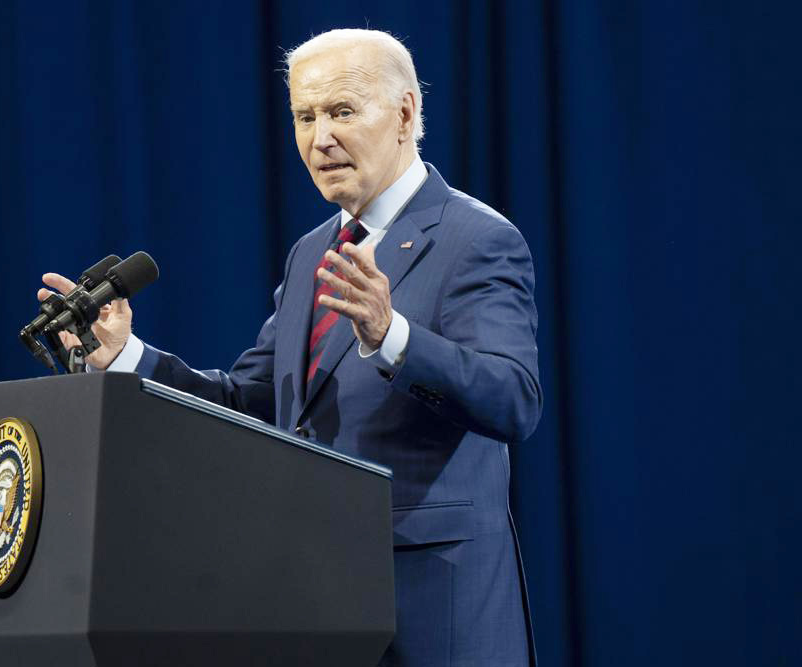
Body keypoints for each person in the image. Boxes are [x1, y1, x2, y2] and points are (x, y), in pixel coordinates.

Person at [40, 28, 542, 667]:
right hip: (317, 606)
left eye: (341, 112)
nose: (320, 137)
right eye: (304, 116)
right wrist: (126, 355)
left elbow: (514, 401)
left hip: (431, 608)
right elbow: (253, 401)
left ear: (407, 113)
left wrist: (393, 338)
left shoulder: (477, 239)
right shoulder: (313, 253)